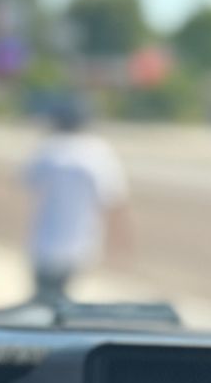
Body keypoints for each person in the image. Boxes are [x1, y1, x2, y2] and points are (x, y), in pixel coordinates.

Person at [22, 98, 130, 304]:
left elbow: (28, 181)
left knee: (42, 301)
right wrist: (121, 242)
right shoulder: (98, 151)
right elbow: (114, 198)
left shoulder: (48, 149)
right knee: (66, 303)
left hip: (46, 242)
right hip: (82, 244)